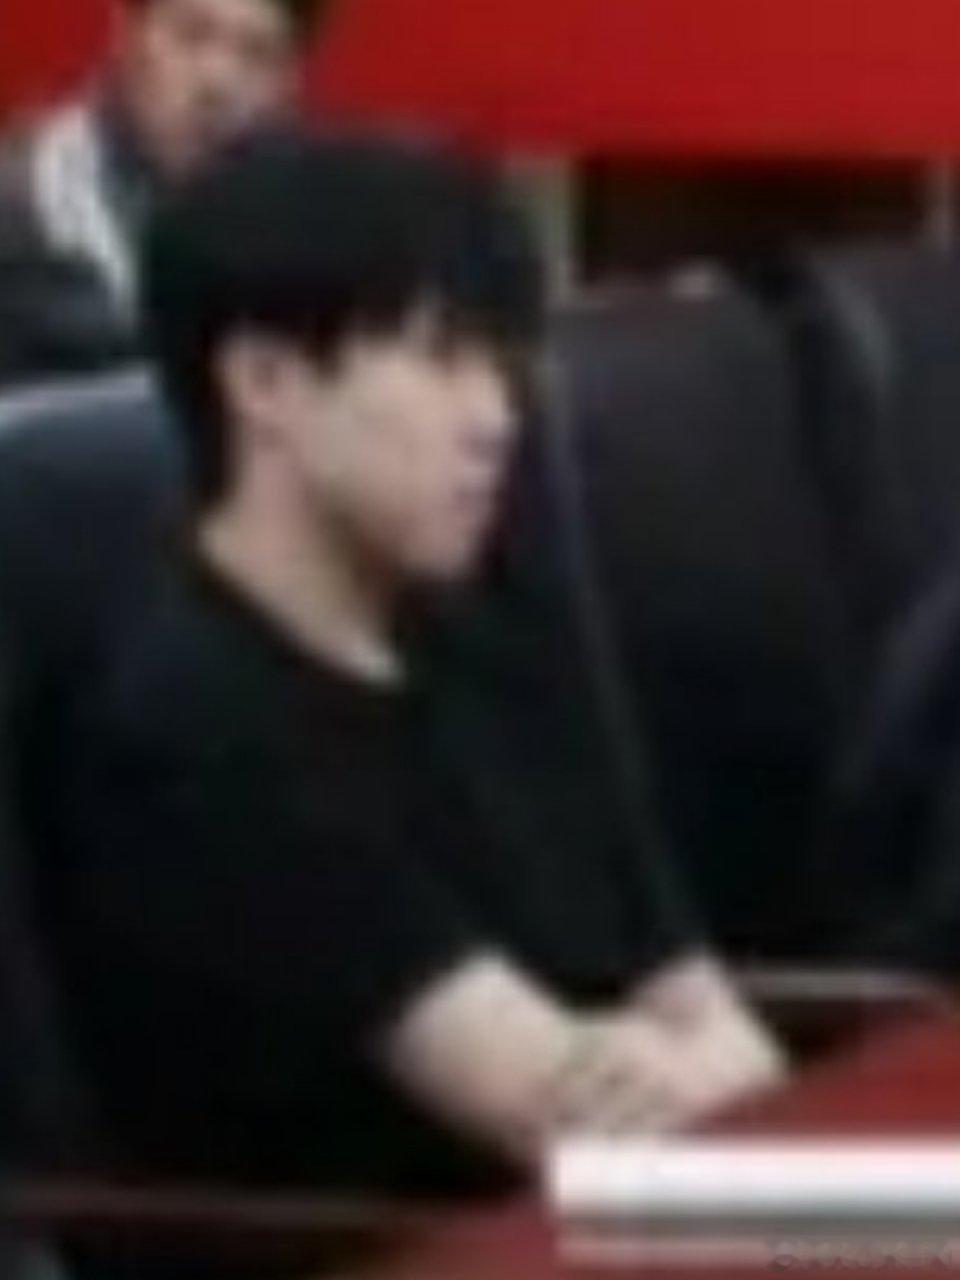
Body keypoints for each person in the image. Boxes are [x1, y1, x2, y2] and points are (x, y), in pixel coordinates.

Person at [35, 134, 784, 1206]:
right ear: (265, 382)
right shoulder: (192, 726)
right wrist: (653, 1061)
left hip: (655, 1222)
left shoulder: (500, 648)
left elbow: (737, 1041)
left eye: (500, 361)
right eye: (442, 359)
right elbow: (562, 1123)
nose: (497, 418)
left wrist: (654, 1061)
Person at [0, 0, 331, 387]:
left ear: (291, 81)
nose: (217, 81)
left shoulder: (316, 231)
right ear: (127, 36)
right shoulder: (23, 200)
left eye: (256, 54)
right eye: (190, 37)